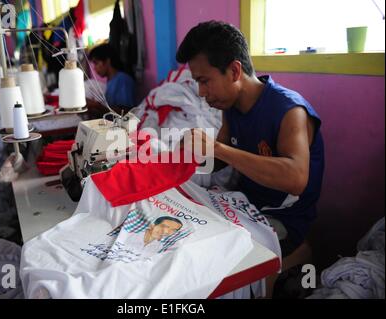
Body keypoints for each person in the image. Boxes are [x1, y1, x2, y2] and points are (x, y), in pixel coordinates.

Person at [176, 21, 324, 271]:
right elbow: (219, 159)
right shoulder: (232, 107)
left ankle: (293, 255)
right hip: (246, 203)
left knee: (212, 258)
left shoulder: (289, 110)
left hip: (284, 217)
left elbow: (296, 178)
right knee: (182, 227)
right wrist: (189, 154)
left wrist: (217, 149)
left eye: (204, 81)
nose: (201, 92)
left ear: (234, 71)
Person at [87, 43, 136, 118]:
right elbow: (110, 112)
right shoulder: (110, 81)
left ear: (107, 61)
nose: (94, 68)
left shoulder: (123, 80)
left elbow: (126, 113)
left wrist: (97, 105)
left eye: (96, 63)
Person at [118, 216, 183, 258]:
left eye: (173, 230)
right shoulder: (129, 234)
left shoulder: (160, 247)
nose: (166, 231)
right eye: (164, 226)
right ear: (153, 225)